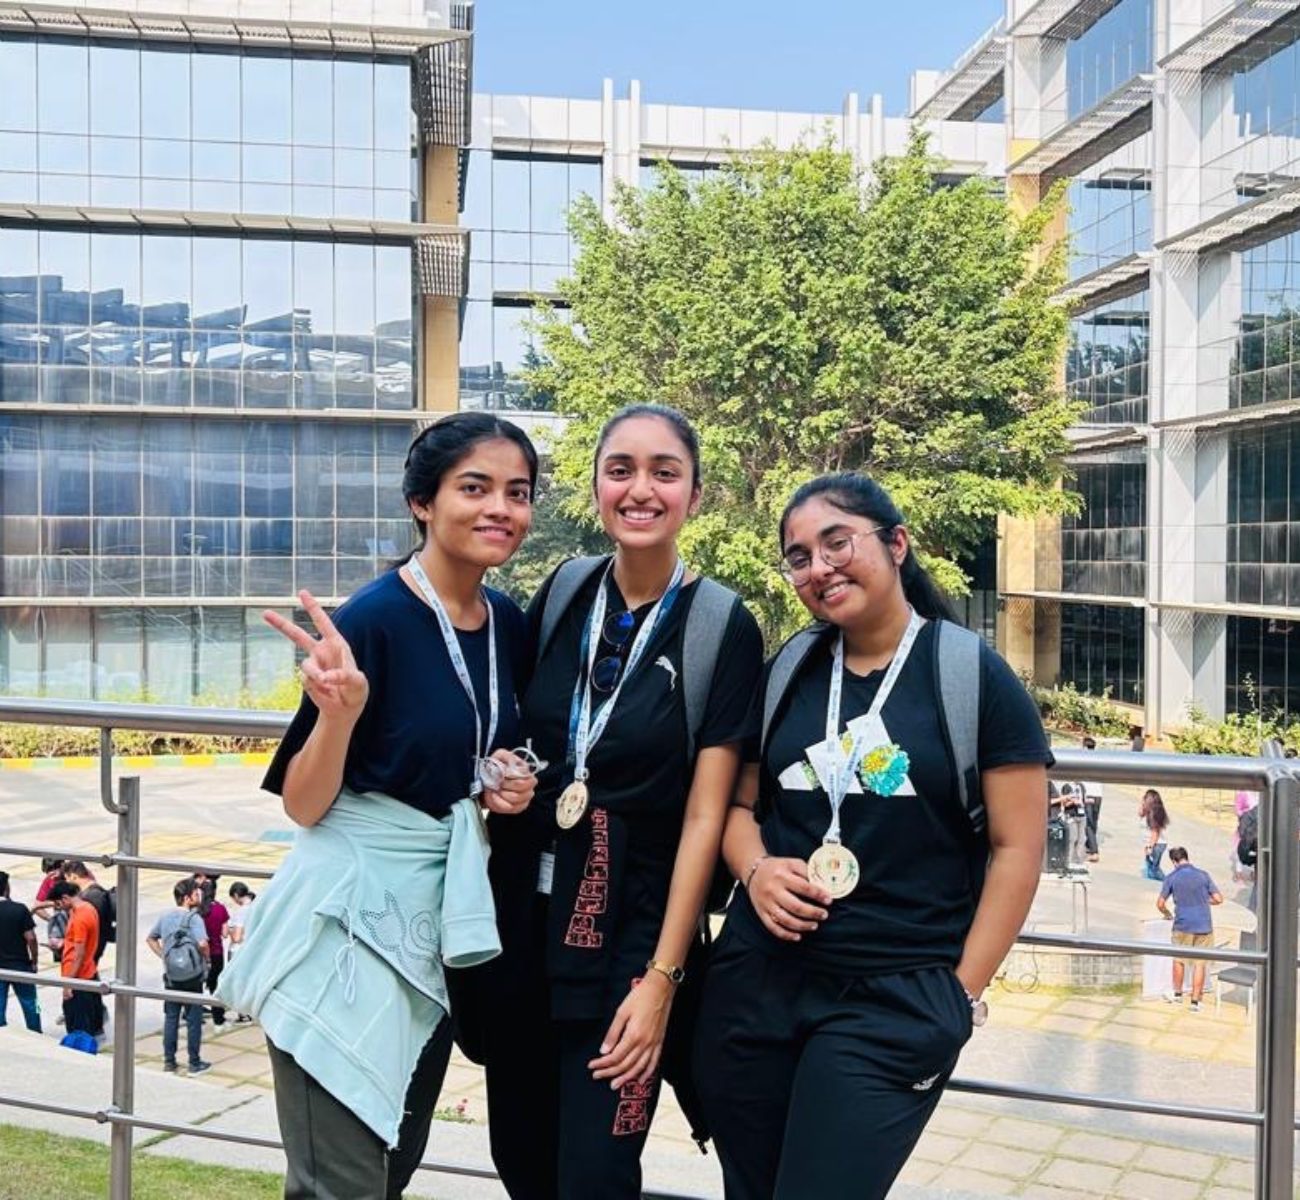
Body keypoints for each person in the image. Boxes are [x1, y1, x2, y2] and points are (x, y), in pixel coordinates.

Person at [694, 472, 1052, 1200]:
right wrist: (757, 870)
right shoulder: (790, 669)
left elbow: (1020, 847)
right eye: (799, 557)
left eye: (836, 542)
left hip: (893, 996)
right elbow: (736, 807)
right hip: (758, 984)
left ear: (896, 543)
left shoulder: (970, 676)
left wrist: (960, 995)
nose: (819, 568)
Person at [217, 412, 541, 1200]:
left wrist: (507, 779)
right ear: (422, 503)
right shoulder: (372, 618)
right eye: (475, 487)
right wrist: (338, 714)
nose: (500, 507)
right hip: (349, 927)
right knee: (341, 1186)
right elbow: (304, 803)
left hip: (432, 933)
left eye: (517, 492)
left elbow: (470, 756)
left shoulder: (507, 623)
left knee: (389, 1171)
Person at [474, 404, 763, 1200]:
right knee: (523, 1167)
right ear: (597, 486)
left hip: (625, 950)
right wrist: (505, 775)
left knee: (596, 1178)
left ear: (695, 496)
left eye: (664, 472)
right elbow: (526, 736)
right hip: (522, 938)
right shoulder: (566, 590)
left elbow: (707, 816)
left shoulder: (719, 626)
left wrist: (664, 978)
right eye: (621, 469)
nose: (641, 490)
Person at [146, 875, 212, 1075]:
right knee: (193, 1019)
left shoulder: (165, 917)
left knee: (171, 1017)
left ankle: (169, 1061)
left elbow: (150, 938)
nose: (198, 895)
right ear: (187, 897)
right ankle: (194, 1062)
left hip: (172, 975)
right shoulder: (194, 918)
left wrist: (165, 957)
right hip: (192, 976)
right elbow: (202, 943)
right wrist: (206, 960)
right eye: (195, 892)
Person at [1157, 847, 1223, 1013]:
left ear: (1173, 861)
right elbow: (1219, 898)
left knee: (1179, 960)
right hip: (1204, 925)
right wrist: (1204, 902)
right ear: (1187, 857)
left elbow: (1160, 903)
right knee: (1199, 964)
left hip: (1182, 924)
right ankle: (1195, 1002)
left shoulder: (1171, 877)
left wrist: (1167, 914)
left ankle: (1178, 994)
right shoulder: (1203, 875)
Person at [46, 881, 103, 1037]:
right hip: (88, 971)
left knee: (78, 1028)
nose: (57, 907)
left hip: (77, 976)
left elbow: (79, 955)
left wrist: (68, 984)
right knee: (88, 1021)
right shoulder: (88, 908)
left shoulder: (79, 918)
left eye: (58, 903)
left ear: (65, 898)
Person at [0, 871, 41, 1033]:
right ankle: (36, 1031)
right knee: (32, 1004)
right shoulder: (19, 909)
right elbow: (30, 938)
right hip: (21, 966)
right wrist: (35, 960)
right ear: (6, 888)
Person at [197, 876, 229, 1026]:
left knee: (197, 985)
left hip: (200, 953)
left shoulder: (197, 911)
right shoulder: (220, 909)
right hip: (216, 953)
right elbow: (224, 933)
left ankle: (195, 1015)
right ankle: (218, 1019)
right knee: (216, 986)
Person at [225, 882, 257, 1023]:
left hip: (238, 951)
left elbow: (237, 938)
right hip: (251, 949)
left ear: (237, 895)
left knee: (238, 983)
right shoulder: (256, 907)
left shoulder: (242, 912)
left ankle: (243, 1014)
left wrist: (229, 929)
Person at [1080, 736, 1104, 863]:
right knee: (1094, 821)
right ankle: (1090, 844)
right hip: (1099, 794)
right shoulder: (1099, 758)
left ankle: (1094, 851)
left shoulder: (1083, 758)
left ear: (1084, 746)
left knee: (1088, 824)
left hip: (1088, 794)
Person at [1058, 782, 1088, 875]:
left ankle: (1079, 860)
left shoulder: (1081, 786)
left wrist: (1086, 801)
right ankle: (1069, 861)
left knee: (1082, 839)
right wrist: (1072, 802)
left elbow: (1084, 799)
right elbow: (1064, 803)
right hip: (1071, 815)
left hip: (1082, 815)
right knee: (1072, 839)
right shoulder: (1067, 786)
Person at [1140, 789, 1170, 881]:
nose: (1143, 799)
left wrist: (1150, 846)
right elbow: (1140, 813)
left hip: (1157, 845)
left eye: (1145, 798)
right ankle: (1162, 882)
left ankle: (1167, 882)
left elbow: (1155, 832)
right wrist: (1142, 804)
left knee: (1153, 869)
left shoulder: (1154, 815)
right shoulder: (1148, 812)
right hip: (1152, 844)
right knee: (1151, 866)